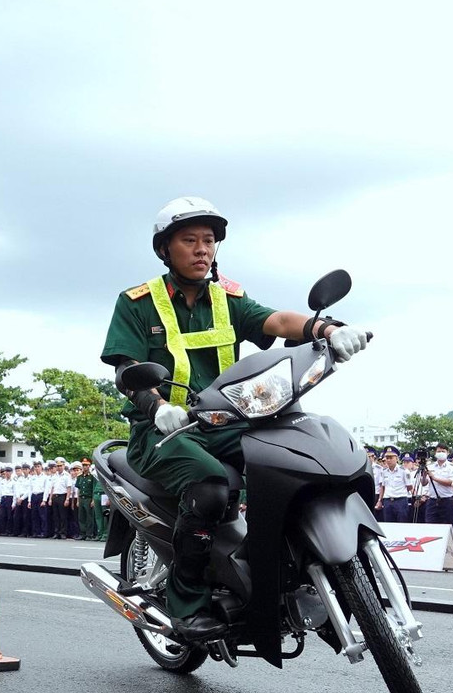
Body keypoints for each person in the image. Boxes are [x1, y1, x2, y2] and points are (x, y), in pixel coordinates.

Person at [99, 196, 369, 641]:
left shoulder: (228, 299)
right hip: (164, 430)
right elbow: (126, 370)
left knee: (294, 463)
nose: (202, 249)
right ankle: (187, 603)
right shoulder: (137, 303)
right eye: (190, 240)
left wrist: (329, 329)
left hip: (228, 422)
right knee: (209, 486)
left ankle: (290, 574)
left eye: (209, 240)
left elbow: (276, 321)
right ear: (165, 249)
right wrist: (158, 407)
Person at [374, 446, 413, 525]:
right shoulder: (384, 471)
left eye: (391, 458)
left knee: (402, 524)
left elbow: (409, 487)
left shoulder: (404, 471)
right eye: (387, 458)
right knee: (388, 525)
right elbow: (383, 487)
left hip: (400, 500)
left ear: (397, 458)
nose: (388, 460)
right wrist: (379, 500)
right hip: (388, 501)